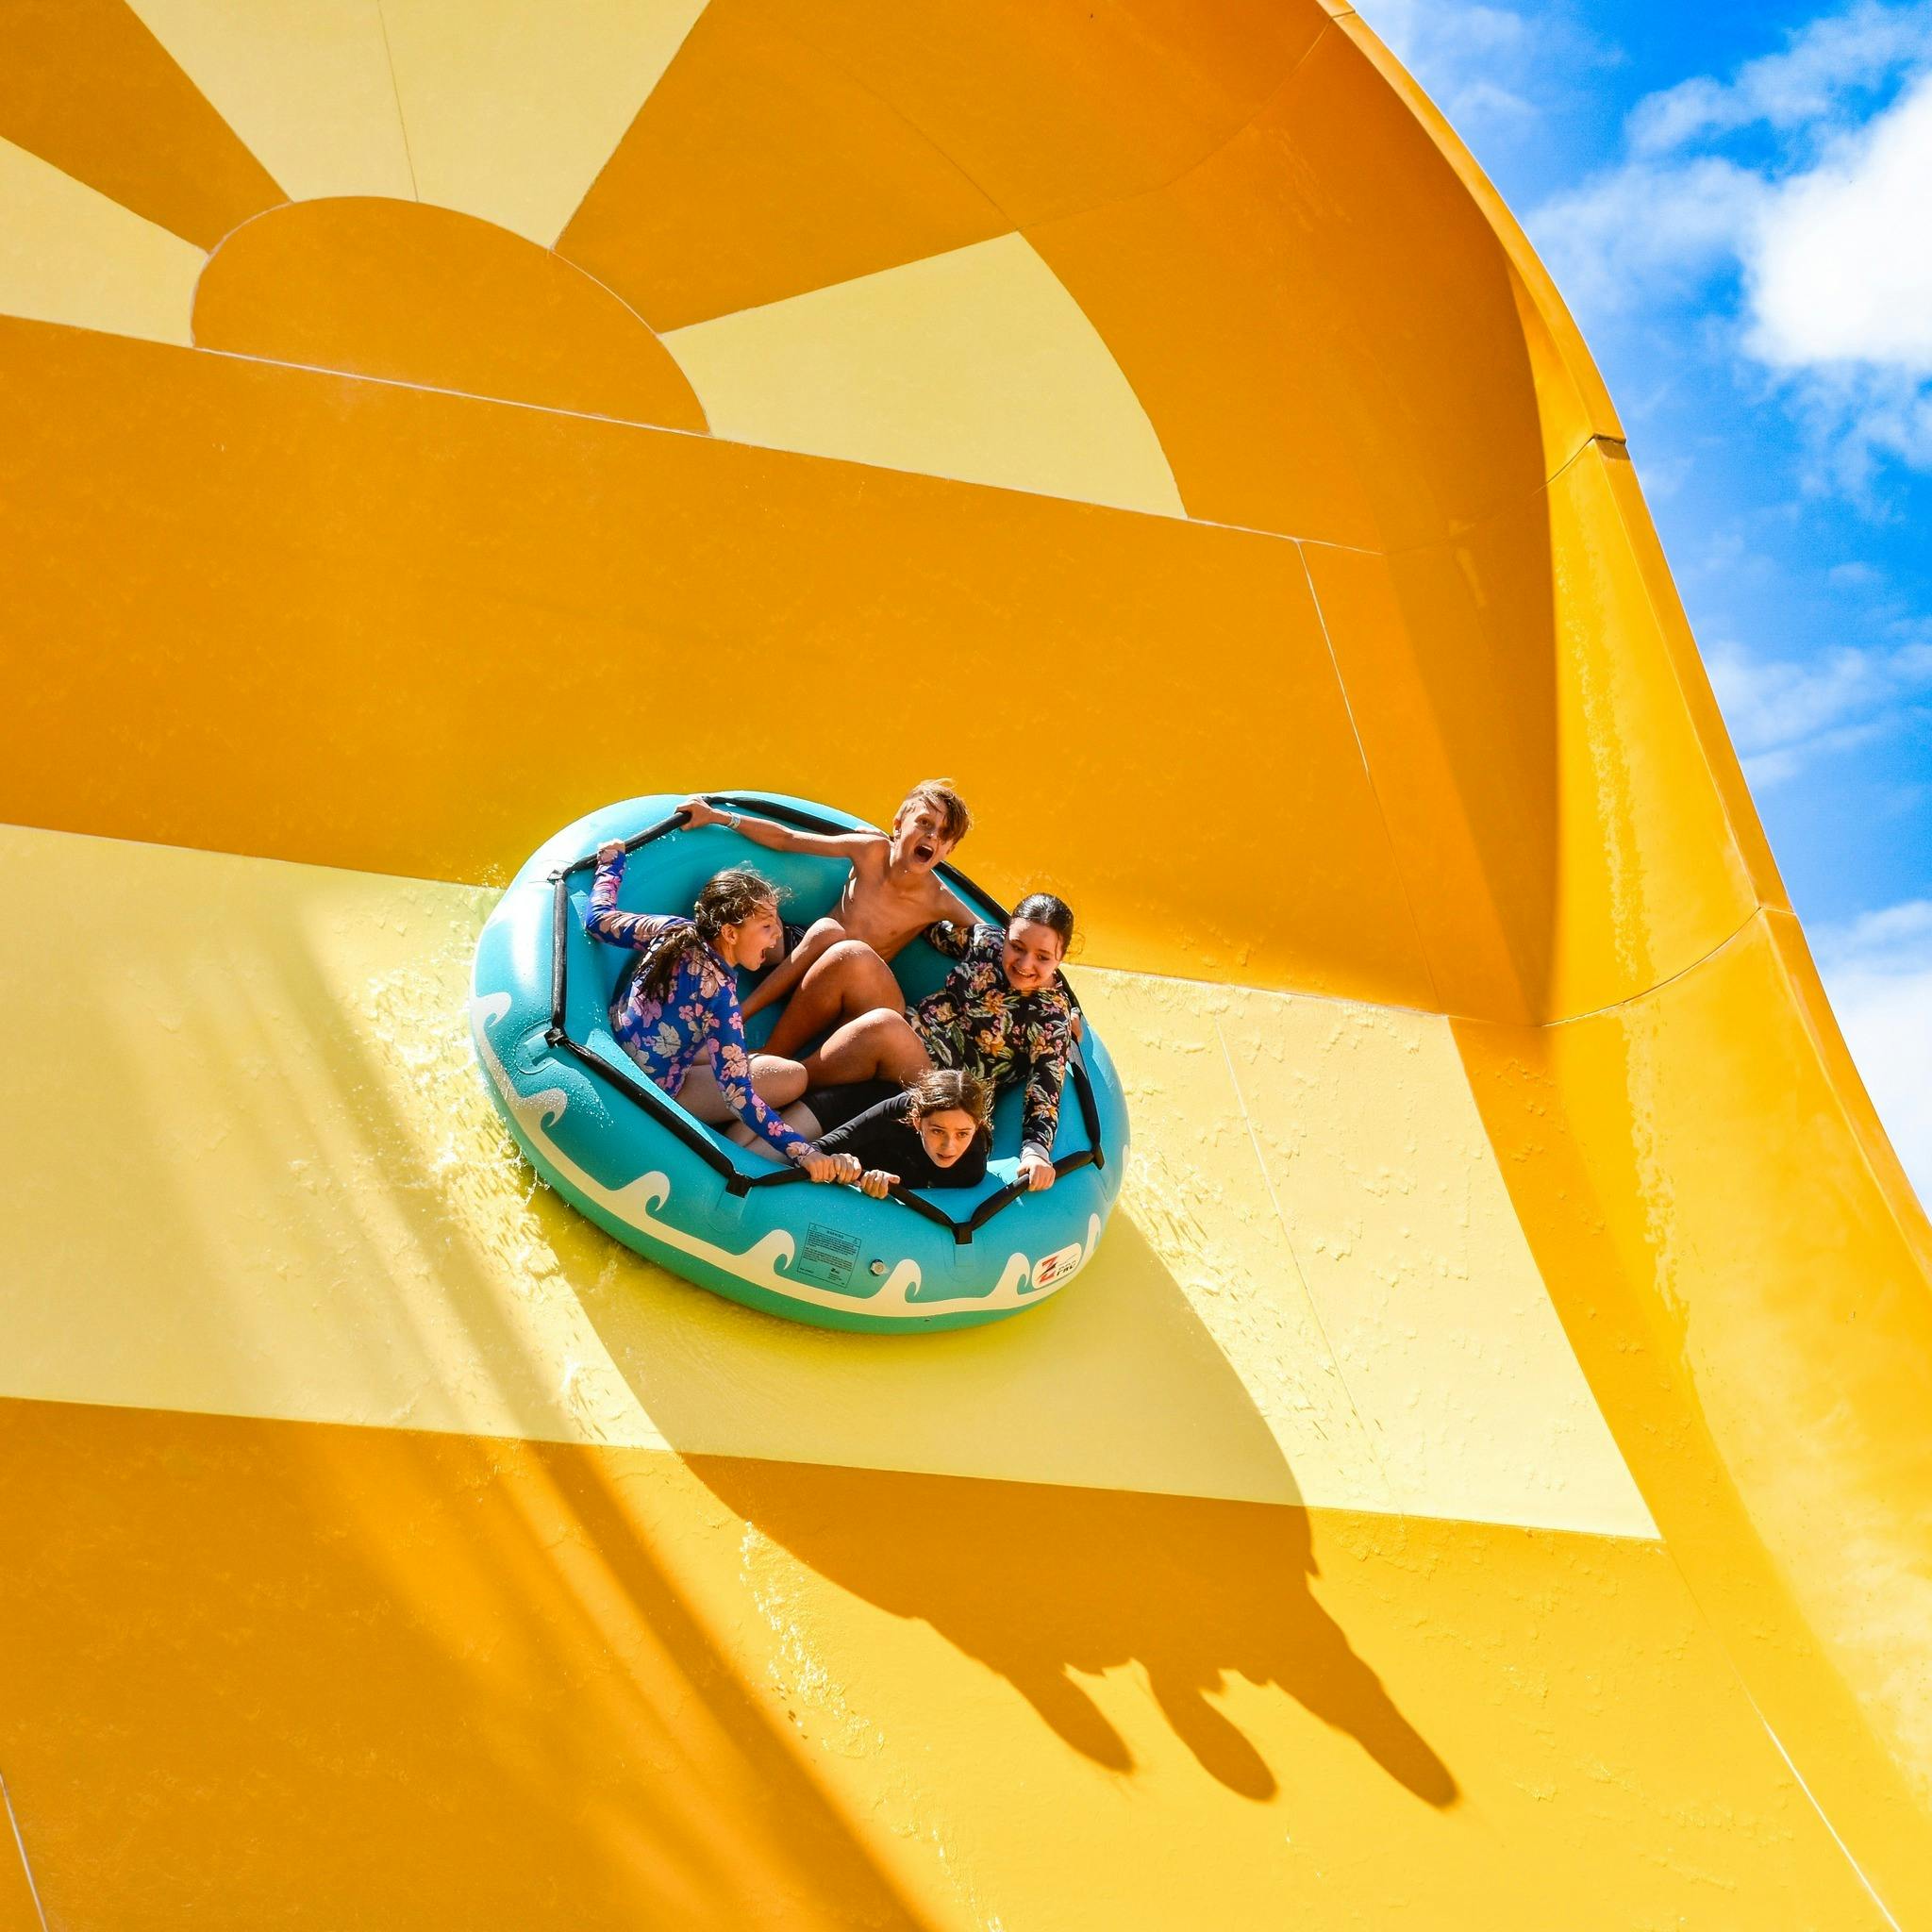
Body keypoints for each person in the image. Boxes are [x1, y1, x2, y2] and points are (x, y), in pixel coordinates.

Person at [584, 841, 846, 1183]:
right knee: (789, 1076)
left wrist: (611, 864)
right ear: (730, 933)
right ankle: (732, 1148)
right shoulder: (719, 996)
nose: (776, 937)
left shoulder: (672, 930)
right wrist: (804, 1151)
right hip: (653, 1087)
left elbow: (597, 920)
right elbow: (738, 1096)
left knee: (741, 1056)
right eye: (766, 927)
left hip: (618, 1047)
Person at [792, 894, 1079, 1192]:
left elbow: (1046, 1089)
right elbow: (930, 926)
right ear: (1006, 934)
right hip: (909, 1030)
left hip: (942, 1085)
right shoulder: (987, 942)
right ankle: (775, 1057)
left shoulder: (1051, 1016)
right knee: (854, 956)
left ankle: (793, 1081)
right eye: (1017, 946)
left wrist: (1036, 1151)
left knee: (885, 1028)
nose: (1025, 963)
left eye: (1043, 957)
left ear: (1061, 958)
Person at [675, 783, 977, 1049]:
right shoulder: (871, 850)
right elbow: (788, 839)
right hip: (805, 956)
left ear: (948, 850)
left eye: (944, 835)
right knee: (761, 915)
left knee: (831, 933)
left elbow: (989, 937)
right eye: (924, 823)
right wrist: (719, 817)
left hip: (842, 988)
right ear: (898, 825)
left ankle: (742, 1021)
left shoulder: (938, 899)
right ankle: (692, 980)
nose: (932, 836)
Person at [742, 1069, 995, 1194]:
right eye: (938, 1131)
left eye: (963, 1134)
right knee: (757, 1159)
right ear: (918, 1121)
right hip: (837, 1111)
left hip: (879, 1154)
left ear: (977, 1127)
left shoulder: (971, 1166)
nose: (949, 1146)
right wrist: (841, 1163)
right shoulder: (901, 1109)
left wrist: (868, 1179)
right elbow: (819, 1149)